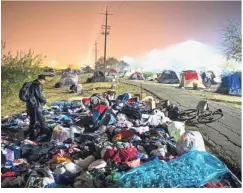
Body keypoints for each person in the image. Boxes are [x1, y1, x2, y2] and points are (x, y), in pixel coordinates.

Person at [25, 74, 49, 140]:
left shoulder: (31, 84)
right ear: (41, 80)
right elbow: (39, 96)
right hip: (35, 106)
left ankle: (31, 135)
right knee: (39, 120)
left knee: (33, 121)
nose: (44, 82)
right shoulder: (37, 85)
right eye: (44, 80)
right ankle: (46, 133)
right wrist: (45, 100)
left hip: (30, 105)